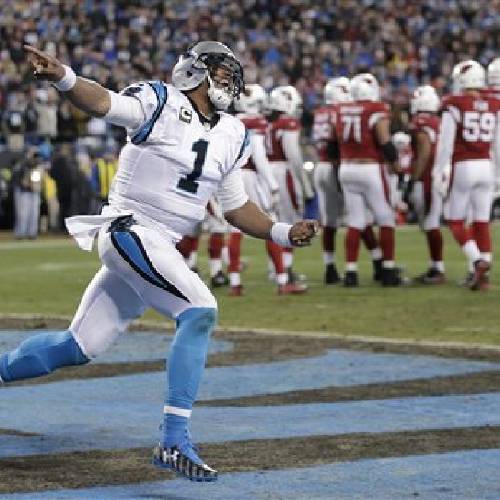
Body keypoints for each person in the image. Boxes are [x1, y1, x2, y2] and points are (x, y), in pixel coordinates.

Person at [0, 41, 317, 482]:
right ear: (195, 73)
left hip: (158, 243)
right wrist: (65, 78)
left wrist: (282, 232)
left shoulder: (233, 133)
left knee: (77, 348)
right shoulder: (161, 101)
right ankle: (173, 440)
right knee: (200, 312)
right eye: (220, 73)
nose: (228, 81)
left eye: (229, 74)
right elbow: (105, 103)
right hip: (131, 228)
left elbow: (235, 206)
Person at [229, 84, 306, 295]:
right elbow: (259, 157)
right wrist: (272, 185)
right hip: (251, 176)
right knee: (270, 226)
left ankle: (235, 283)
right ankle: (283, 281)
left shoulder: (230, 121)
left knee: (235, 230)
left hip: (230, 176)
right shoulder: (256, 122)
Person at [434, 60, 500, 291]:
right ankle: (483, 277)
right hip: (487, 165)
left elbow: (445, 144)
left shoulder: (455, 103)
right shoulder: (493, 103)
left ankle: (477, 261)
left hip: (464, 165)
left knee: (454, 219)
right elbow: (497, 144)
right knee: (482, 221)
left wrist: (439, 170)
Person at [337, 73, 403, 286]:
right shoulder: (377, 109)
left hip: (346, 167)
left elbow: (333, 142)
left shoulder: (341, 109)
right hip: (370, 168)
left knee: (355, 221)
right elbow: (384, 140)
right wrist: (395, 164)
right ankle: (389, 269)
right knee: (385, 218)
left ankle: (351, 272)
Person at [267, 85, 314, 285]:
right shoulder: (288, 123)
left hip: (269, 171)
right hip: (285, 172)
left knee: (274, 222)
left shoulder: (270, 124)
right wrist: (305, 185)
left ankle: (275, 268)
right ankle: (285, 268)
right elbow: (293, 156)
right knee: (290, 222)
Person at [405, 85, 445, 284]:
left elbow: (424, 152)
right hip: (440, 176)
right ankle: (435, 266)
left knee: (430, 223)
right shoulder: (439, 122)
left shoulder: (418, 123)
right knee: (431, 223)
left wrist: (412, 180)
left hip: (426, 178)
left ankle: (437, 269)